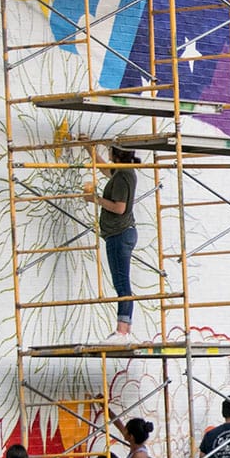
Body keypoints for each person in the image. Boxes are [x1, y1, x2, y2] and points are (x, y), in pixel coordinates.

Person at [85, 145, 140, 342]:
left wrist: (96, 199)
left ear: (115, 154)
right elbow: (104, 169)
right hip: (121, 233)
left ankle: (122, 331)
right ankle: (123, 328)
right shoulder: (123, 172)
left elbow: (119, 207)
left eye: (109, 151)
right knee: (121, 282)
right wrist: (88, 149)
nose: (107, 154)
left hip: (119, 233)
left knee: (121, 284)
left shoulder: (124, 175)